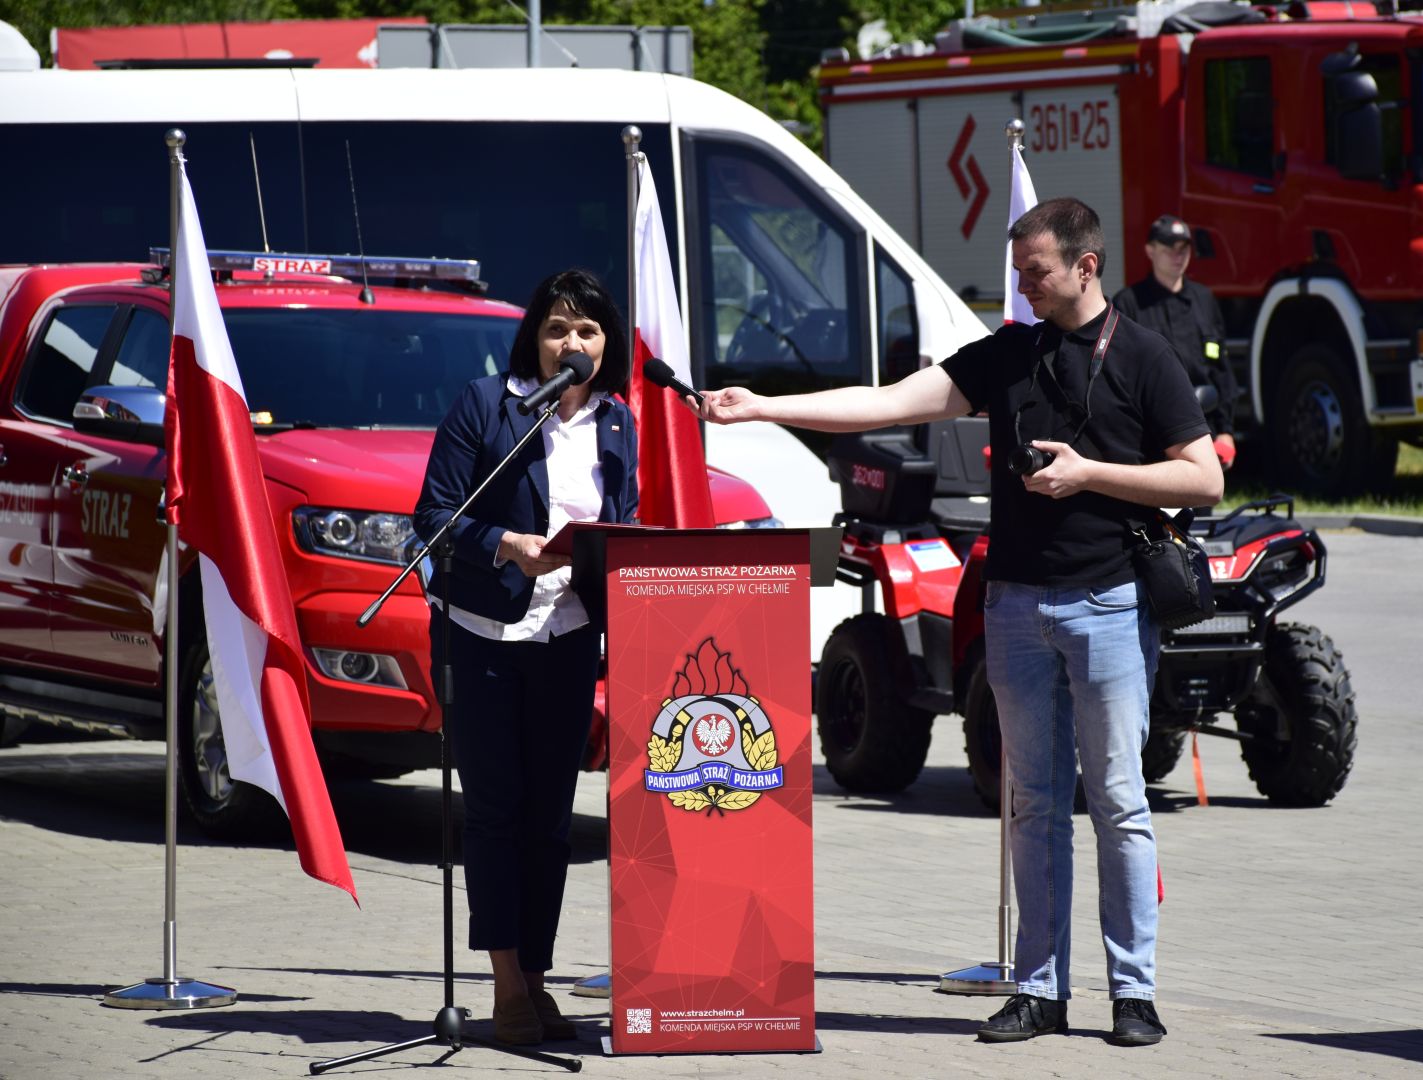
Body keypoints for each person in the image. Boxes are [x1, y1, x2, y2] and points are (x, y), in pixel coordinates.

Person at [697, 198, 1223, 1046]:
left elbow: (1202, 480)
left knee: (1119, 801)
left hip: (1109, 606)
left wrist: (1089, 473)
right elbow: (888, 402)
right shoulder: (1009, 352)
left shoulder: (1146, 357)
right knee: (1033, 805)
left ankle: (1134, 994)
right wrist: (764, 406)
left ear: (1085, 266)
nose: (1022, 286)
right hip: (1014, 608)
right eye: (1019, 272)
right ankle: (1040, 991)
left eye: (1035, 272)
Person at [413, 268, 638, 1045]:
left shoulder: (617, 423)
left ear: (606, 345)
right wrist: (506, 544)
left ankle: (538, 981)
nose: (571, 342)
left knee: (549, 821)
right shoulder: (488, 404)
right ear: (535, 340)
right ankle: (506, 984)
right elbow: (434, 516)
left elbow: (623, 522)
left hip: (568, 637)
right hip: (483, 633)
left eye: (587, 330)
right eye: (557, 328)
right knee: (497, 811)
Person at [1113, 214, 1239, 471]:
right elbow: (1120, 377)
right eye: (1169, 248)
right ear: (1150, 251)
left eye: (1184, 248)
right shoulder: (1128, 303)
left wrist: (1226, 431)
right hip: (1152, 435)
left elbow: (1221, 369)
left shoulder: (1204, 299)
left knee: (1203, 496)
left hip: (1203, 428)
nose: (1178, 255)